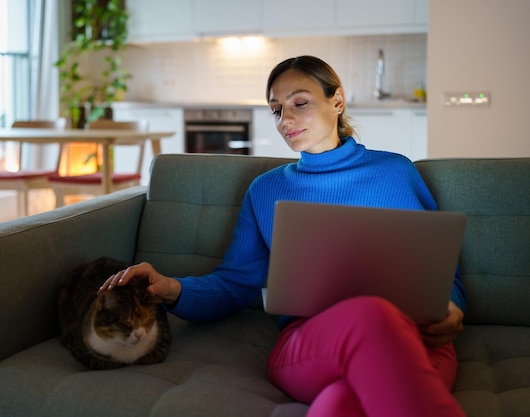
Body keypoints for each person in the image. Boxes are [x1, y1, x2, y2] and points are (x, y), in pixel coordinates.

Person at [98, 55, 466, 417]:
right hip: (311, 341)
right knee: (369, 313)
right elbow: (235, 284)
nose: (285, 119)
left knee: (340, 405)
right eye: (276, 109)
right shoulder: (266, 190)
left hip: (412, 335)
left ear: (336, 100)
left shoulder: (395, 173)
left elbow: (442, 273)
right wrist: (171, 289)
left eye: (299, 103)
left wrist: (451, 308)